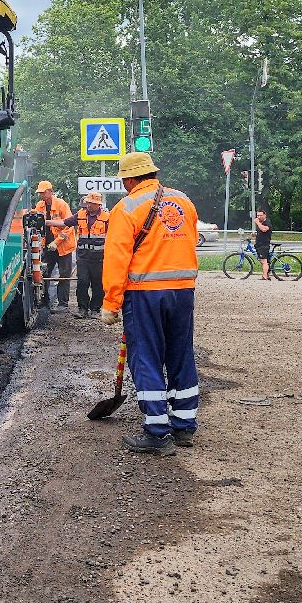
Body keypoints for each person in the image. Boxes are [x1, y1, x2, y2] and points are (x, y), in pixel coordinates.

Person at [100, 152, 200, 456]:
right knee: (181, 353)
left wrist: (111, 301)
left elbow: (117, 258)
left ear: (130, 179)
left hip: (145, 293)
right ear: (152, 173)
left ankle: (157, 432)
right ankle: (184, 425)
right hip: (183, 290)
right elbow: (191, 239)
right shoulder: (183, 200)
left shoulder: (126, 207)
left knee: (145, 356)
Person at [65, 190, 110, 318]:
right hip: (83, 257)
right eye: (88, 202)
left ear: (98, 204)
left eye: (92, 203)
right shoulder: (80, 215)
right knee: (82, 282)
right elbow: (64, 222)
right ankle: (82, 309)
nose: (89, 205)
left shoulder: (107, 218)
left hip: (99, 258)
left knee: (98, 284)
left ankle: (95, 309)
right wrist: (45, 222)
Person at [33, 180, 76, 310]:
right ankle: (44, 300)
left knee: (64, 275)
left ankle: (63, 303)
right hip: (47, 247)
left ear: (51, 192)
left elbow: (69, 226)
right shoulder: (39, 206)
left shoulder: (61, 205)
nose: (41, 195)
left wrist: (56, 242)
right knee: (43, 273)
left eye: (43, 192)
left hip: (63, 247)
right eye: (40, 193)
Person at [254, 208, 273, 279]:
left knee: (264, 261)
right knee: (264, 261)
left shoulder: (267, 222)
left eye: (260, 215)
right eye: (257, 215)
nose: (259, 217)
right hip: (259, 244)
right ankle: (267, 274)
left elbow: (264, 229)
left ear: (265, 215)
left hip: (264, 244)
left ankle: (264, 276)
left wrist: (257, 223)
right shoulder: (260, 223)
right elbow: (260, 232)